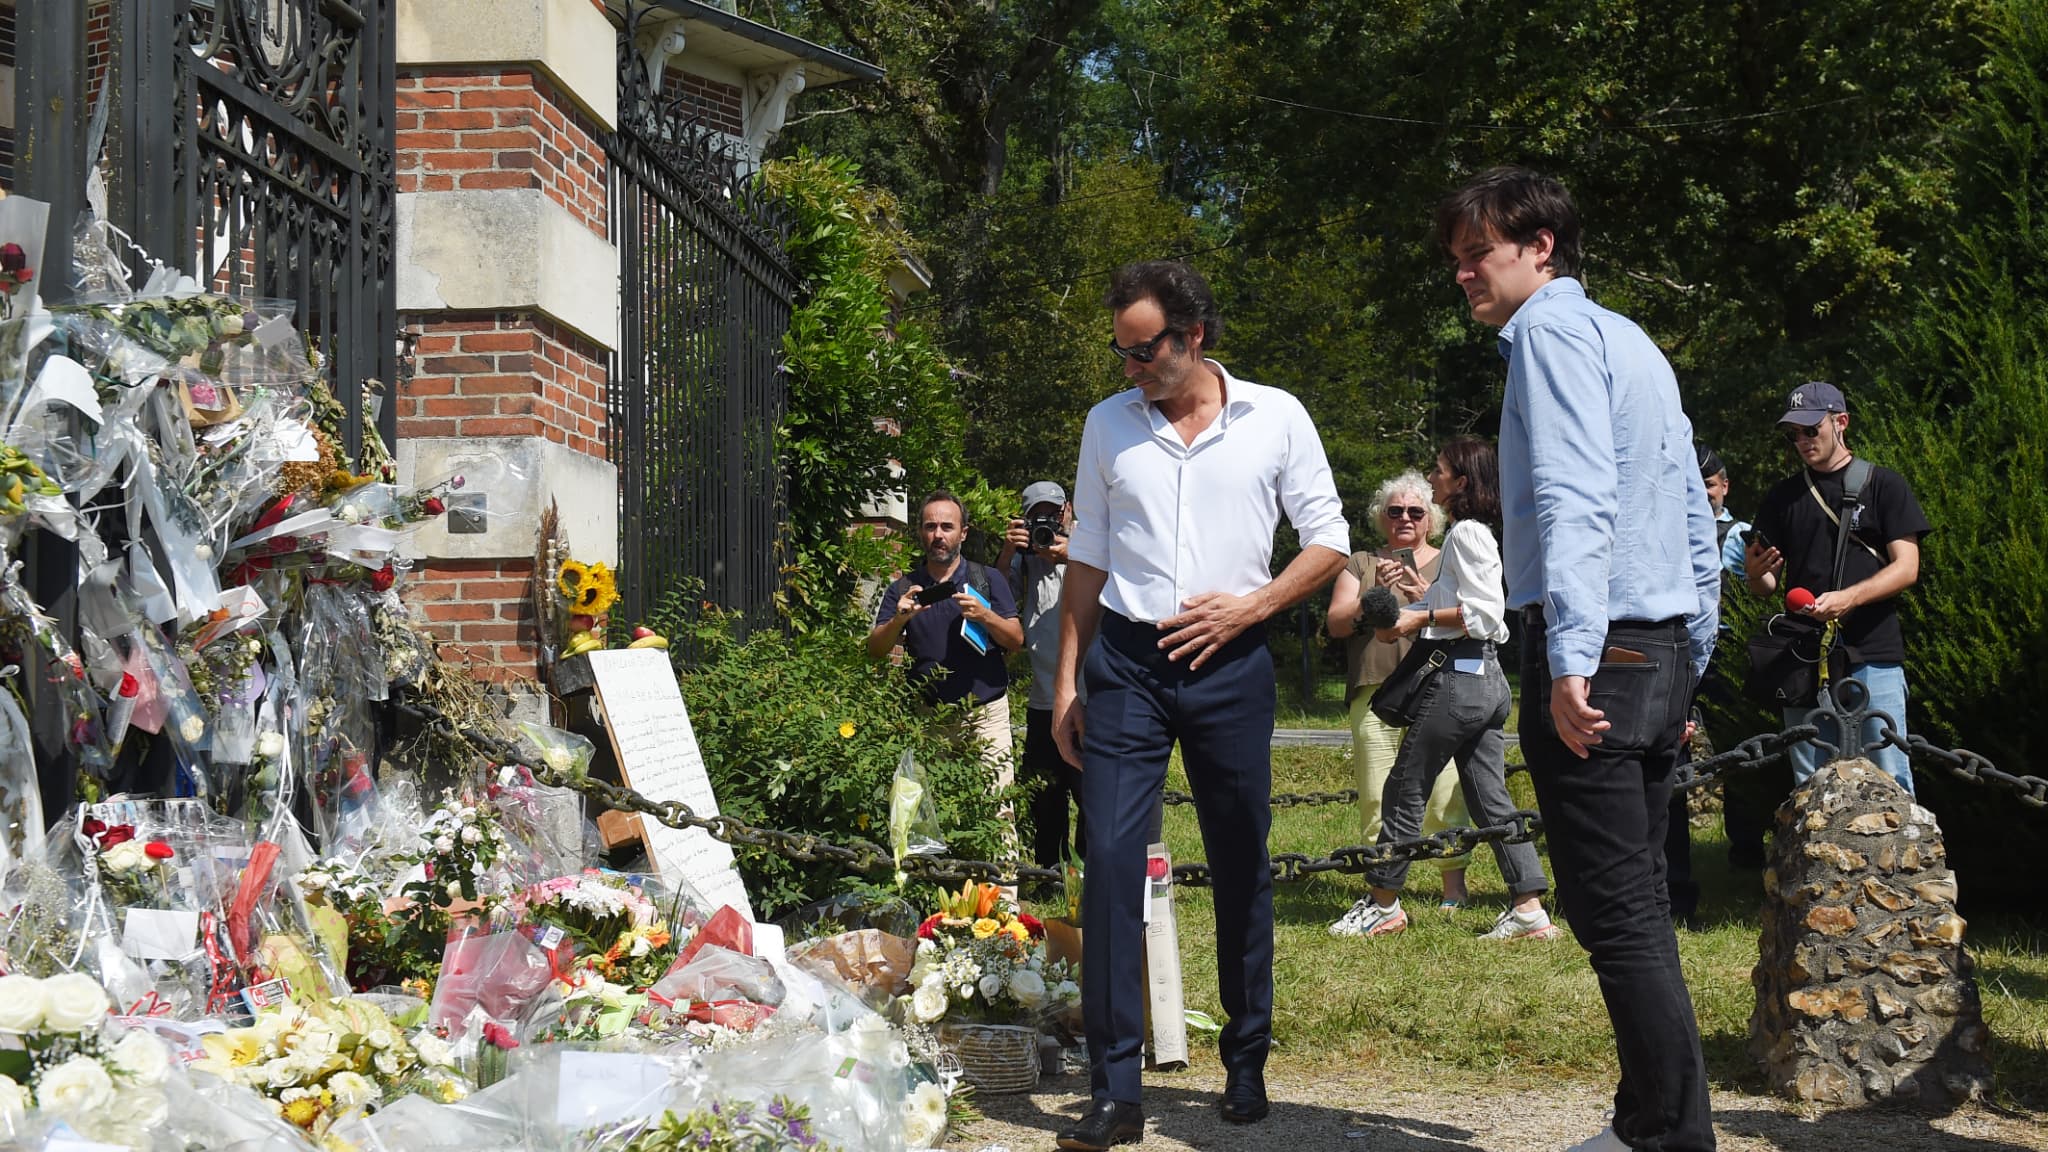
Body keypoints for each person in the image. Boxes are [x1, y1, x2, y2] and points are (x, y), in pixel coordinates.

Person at [1443, 166, 1720, 1152]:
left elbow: (1569, 501)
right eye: (1457, 259)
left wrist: (1568, 660)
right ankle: (1653, 1120)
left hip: (1594, 653)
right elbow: (1695, 514)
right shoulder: (1631, 343)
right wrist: (1693, 653)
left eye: (1478, 253)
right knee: (1636, 906)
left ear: (1539, 246)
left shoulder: (1550, 337)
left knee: (1614, 915)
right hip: (1654, 644)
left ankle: (1665, 1138)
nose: (1463, 274)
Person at [1051, 260, 1348, 1150]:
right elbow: (1089, 559)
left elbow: (1328, 537)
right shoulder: (1108, 424)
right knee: (1107, 859)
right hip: (1129, 663)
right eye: (1123, 353)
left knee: (1237, 855)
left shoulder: (1277, 416)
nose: (1132, 368)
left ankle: (1246, 1059)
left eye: (1147, 351)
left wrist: (1253, 606)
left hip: (1230, 659)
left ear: (1195, 337)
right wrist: (1068, 679)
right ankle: (1116, 1090)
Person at [1344, 438, 1562, 942]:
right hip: (1486, 681)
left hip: (1459, 683)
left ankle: (1383, 905)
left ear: (1461, 482)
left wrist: (1417, 616)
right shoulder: (1476, 535)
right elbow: (1469, 608)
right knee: (1490, 799)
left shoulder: (1464, 533)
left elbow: (1485, 615)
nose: (1433, 476)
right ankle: (1529, 909)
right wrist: (1423, 599)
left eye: (1440, 470)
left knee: (1404, 788)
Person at [1743, 382, 1930, 794]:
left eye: (1812, 429)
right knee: (1811, 788)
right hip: (1804, 659)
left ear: (1841, 422)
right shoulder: (1783, 497)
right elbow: (1767, 585)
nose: (1802, 441)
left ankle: (1901, 860)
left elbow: (1907, 568)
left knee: (1891, 782)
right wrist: (1756, 573)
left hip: (1872, 654)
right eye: (1794, 434)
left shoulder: (1884, 486)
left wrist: (1850, 598)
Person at [1325, 470, 1473, 933]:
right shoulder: (1361, 562)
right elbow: (1336, 624)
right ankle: (1384, 896)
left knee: (1445, 790)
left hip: (1438, 687)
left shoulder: (1450, 559)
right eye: (1395, 511)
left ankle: (1454, 886)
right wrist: (1373, 599)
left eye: (1415, 511)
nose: (1405, 518)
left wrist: (1420, 594)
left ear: (1432, 519)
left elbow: (1474, 617)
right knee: (1376, 792)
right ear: (1381, 518)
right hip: (1375, 690)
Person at [868, 490, 1025, 801]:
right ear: (920, 533)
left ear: (963, 533)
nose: (938, 535)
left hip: (986, 714)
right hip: (929, 717)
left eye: (947, 527)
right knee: (933, 813)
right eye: (930, 527)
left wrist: (985, 616)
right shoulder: (904, 588)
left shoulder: (988, 579)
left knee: (997, 808)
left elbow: (1016, 640)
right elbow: (874, 650)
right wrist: (899, 620)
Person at [996, 480, 1085, 868]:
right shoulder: (1026, 555)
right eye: (1036, 517)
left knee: (1090, 792)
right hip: (1042, 696)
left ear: (1067, 510)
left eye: (1052, 513)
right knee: (1046, 794)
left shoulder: (1091, 542)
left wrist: (1072, 555)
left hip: (1087, 693)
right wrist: (1008, 551)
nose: (1046, 523)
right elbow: (995, 595)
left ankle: (1087, 871)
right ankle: (1050, 873)